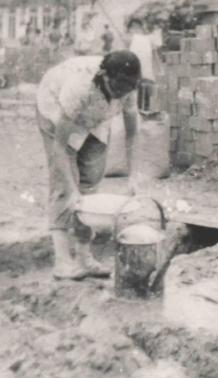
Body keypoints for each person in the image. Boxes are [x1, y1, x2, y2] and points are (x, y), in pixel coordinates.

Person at [36, 52, 142, 281]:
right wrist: (72, 190)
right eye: (117, 89)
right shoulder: (79, 86)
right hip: (57, 106)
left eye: (126, 91)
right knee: (65, 187)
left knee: (91, 183)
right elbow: (59, 148)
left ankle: (84, 256)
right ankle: (63, 261)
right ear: (105, 76)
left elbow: (132, 134)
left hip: (96, 117)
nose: (121, 95)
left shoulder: (128, 87)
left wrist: (133, 175)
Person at [127, 18, 162, 112]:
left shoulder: (148, 38)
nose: (134, 30)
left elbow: (156, 49)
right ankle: (141, 108)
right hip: (136, 68)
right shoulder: (134, 38)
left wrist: (159, 66)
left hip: (145, 68)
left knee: (146, 86)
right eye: (133, 27)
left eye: (136, 27)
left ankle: (147, 107)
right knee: (139, 87)